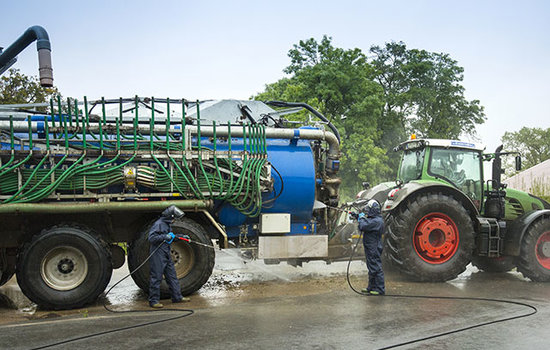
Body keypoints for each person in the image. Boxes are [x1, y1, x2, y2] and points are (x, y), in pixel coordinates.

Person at [148, 205, 190, 308]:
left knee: (172, 276)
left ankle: (177, 297)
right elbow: (151, 238)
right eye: (174, 218)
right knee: (156, 277)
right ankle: (154, 301)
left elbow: (170, 237)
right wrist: (164, 236)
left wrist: (180, 237)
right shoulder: (159, 224)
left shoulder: (166, 224)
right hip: (158, 253)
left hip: (166, 252)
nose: (175, 220)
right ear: (170, 216)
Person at [357, 199, 385, 295]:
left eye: (368, 209)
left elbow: (363, 226)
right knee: (371, 267)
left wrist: (361, 218)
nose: (367, 211)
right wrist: (357, 216)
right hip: (370, 247)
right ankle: (371, 287)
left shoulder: (377, 221)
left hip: (374, 247)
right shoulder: (374, 219)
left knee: (376, 267)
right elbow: (365, 222)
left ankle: (380, 289)